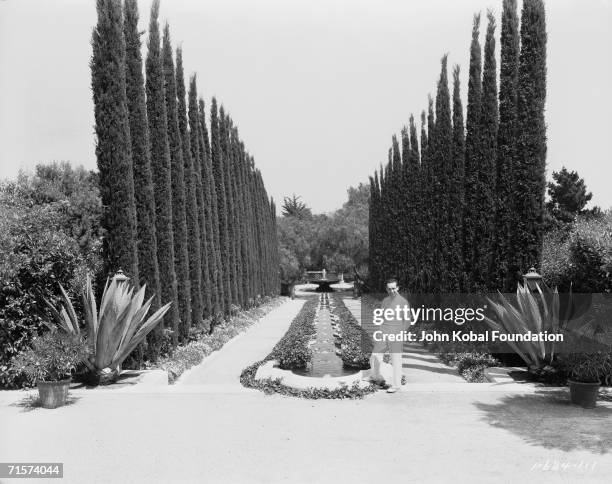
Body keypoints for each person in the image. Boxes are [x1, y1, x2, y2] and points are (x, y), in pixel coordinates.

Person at [369, 278, 410, 393]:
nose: (391, 291)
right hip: (384, 333)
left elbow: (407, 321)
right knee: (375, 355)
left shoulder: (403, 302)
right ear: (386, 289)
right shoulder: (385, 301)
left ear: (397, 288)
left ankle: (396, 385)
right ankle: (376, 377)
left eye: (393, 288)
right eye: (389, 289)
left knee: (396, 360)